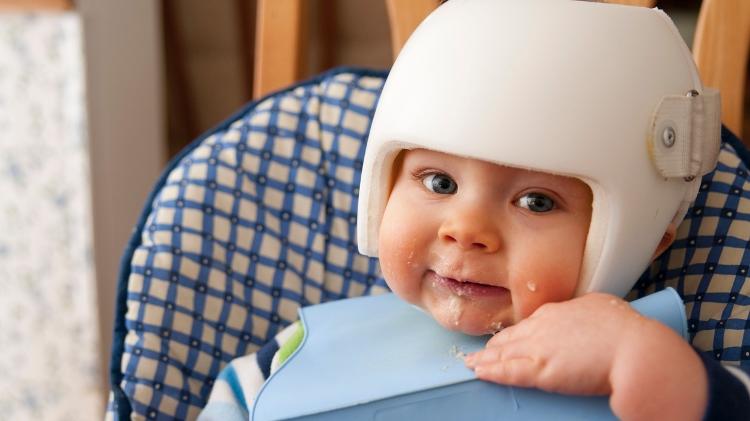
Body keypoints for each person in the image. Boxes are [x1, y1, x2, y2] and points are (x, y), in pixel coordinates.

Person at [200, 1, 750, 420]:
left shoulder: (662, 368)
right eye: (438, 182)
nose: (466, 231)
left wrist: (649, 365)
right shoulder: (290, 360)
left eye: (536, 201)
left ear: (646, 236)